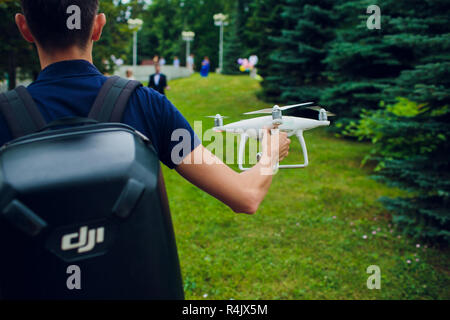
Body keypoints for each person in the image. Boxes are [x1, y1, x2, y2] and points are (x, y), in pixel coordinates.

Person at [4, 0, 290, 215]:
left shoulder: (5, 115)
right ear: (98, 26)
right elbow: (245, 195)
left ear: (24, 28)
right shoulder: (147, 106)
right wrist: (269, 153)